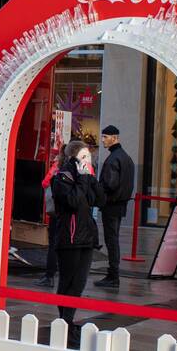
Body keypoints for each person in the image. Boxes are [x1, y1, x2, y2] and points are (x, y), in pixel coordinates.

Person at [50, 139, 105, 327]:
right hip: (69, 237)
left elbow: (100, 199)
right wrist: (81, 179)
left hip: (86, 236)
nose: (87, 160)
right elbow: (73, 201)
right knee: (68, 282)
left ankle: (68, 320)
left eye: (88, 156)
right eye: (83, 156)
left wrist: (91, 178)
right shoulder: (62, 177)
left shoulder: (86, 176)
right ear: (73, 158)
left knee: (80, 282)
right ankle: (64, 321)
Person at [95, 124, 135, 289]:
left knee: (112, 240)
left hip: (111, 204)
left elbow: (110, 184)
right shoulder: (126, 157)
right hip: (120, 204)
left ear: (115, 138)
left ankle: (113, 276)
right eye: (103, 136)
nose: (102, 139)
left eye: (105, 137)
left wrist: (98, 191)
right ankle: (113, 275)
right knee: (113, 239)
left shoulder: (114, 159)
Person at [36, 149, 64, 287]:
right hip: (73, 213)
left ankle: (49, 275)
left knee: (53, 243)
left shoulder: (58, 166)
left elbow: (45, 182)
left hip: (57, 211)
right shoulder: (83, 167)